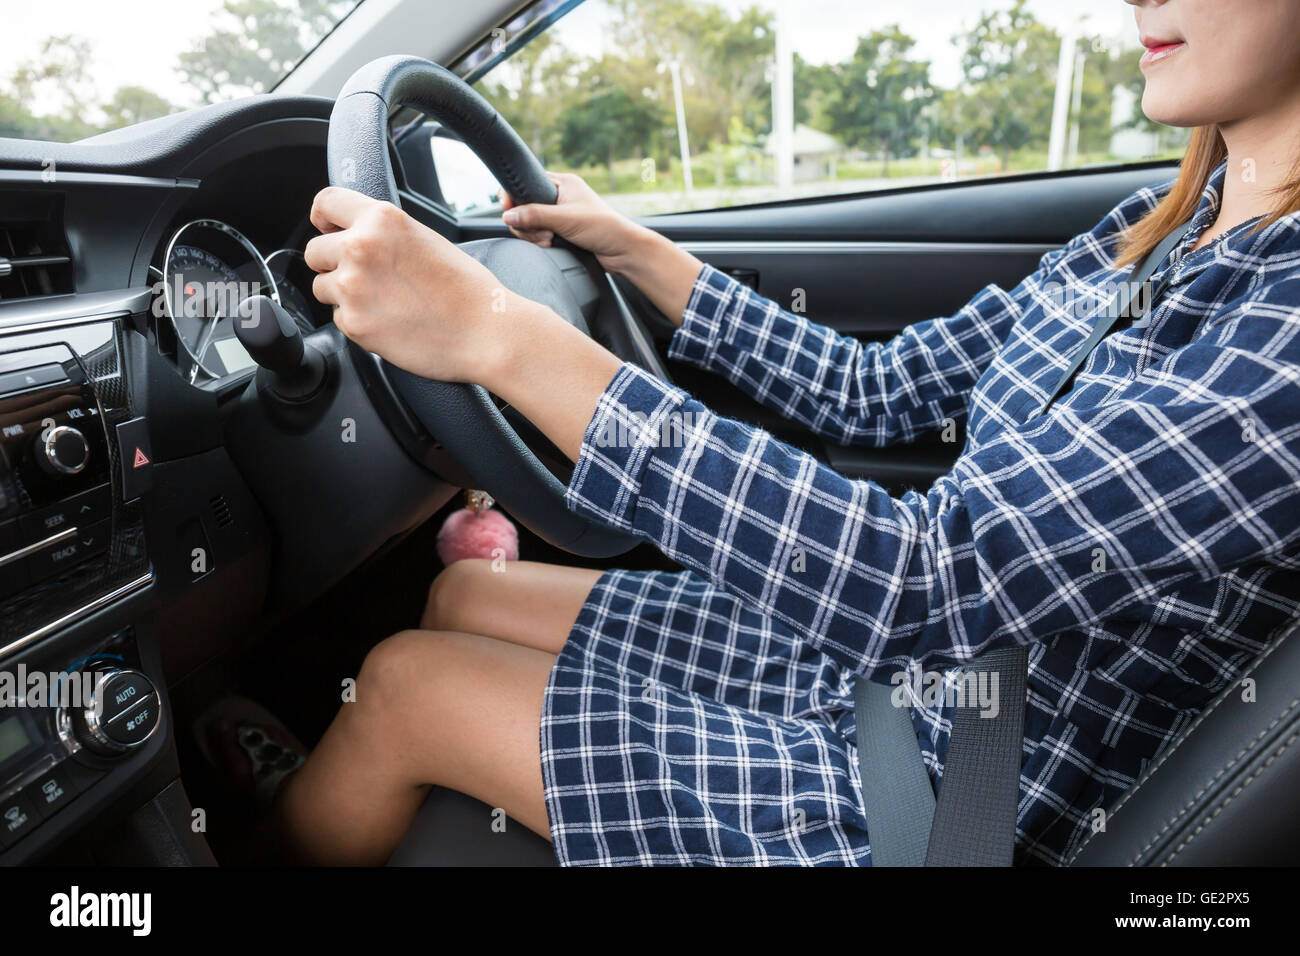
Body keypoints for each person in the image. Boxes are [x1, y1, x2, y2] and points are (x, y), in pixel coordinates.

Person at [249, 0, 1300, 865]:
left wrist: (498, 333)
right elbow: (874, 389)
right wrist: (636, 251)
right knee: (464, 591)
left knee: (402, 686)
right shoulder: (1146, 229)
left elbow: (918, 575)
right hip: (907, 680)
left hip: (958, 805)